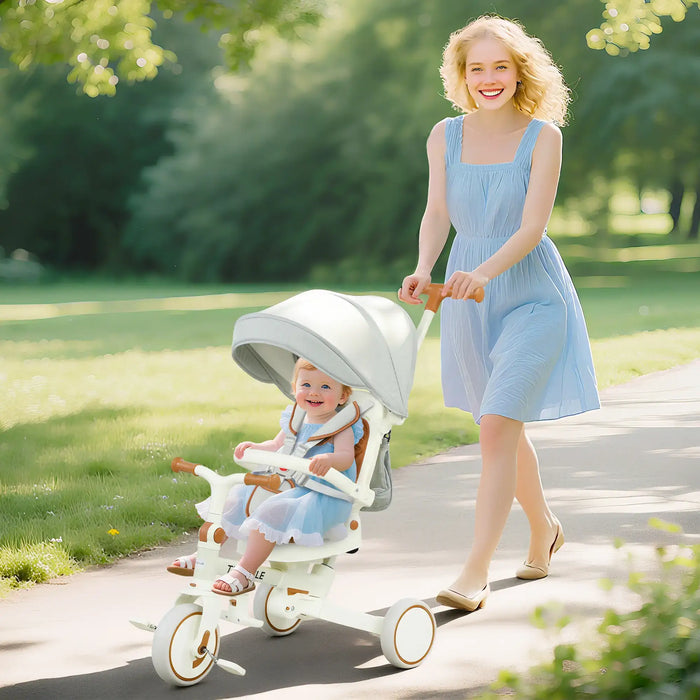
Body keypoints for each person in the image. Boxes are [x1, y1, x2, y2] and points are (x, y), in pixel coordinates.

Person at [399, 15, 599, 612]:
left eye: (500, 66)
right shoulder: (445, 135)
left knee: (495, 429)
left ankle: (474, 572)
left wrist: (483, 272)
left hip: (532, 296)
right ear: (462, 75)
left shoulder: (544, 137)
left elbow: (533, 226)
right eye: (476, 67)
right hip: (465, 294)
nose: (488, 78)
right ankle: (544, 528)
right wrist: (424, 266)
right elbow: (437, 211)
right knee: (500, 426)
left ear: (520, 71)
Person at [168, 358, 364, 596]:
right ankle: (204, 555)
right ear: (294, 388)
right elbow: (276, 444)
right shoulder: (296, 418)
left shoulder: (340, 427)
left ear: (343, 397)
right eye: (306, 385)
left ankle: (245, 572)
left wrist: (329, 460)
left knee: (272, 509)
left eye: (325, 387)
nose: (314, 393)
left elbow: (345, 457)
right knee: (235, 497)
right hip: (288, 483)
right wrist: (257, 447)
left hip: (319, 495)